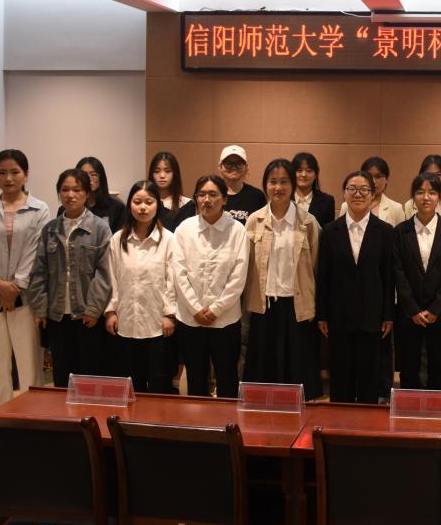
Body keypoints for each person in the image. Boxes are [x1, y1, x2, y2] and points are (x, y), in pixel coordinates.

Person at [0, 150, 50, 408]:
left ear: (26, 174)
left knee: (30, 366)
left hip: (25, 298)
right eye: (2, 172)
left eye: (15, 172)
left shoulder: (40, 209)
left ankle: (33, 419)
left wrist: (14, 288)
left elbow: (36, 251)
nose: (8, 178)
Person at [243, 159, 323, 396]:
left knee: (297, 370)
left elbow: (316, 266)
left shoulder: (308, 222)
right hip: (264, 306)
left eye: (284, 182)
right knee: (263, 374)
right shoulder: (254, 220)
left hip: (297, 306)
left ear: (293, 185)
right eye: (272, 182)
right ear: (265, 185)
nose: (278, 187)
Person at [28, 169, 112, 387]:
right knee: (62, 375)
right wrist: (39, 308)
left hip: (87, 315)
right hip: (57, 314)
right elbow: (39, 271)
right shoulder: (50, 229)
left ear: (87, 193)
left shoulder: (100, 228)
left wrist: (94, 309)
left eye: (77, 189)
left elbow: (105, 273)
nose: (70, 195)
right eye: (65, 190)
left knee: (89, 375)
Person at [317, 171, 395, 403]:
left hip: (372, 317)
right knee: (341, 380)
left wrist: (388, 315)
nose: (358, 194)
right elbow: (324, 276)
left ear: (373, 195)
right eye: (352, 189)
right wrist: (322, 314)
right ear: (344, 193)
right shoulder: (330, 231)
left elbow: (388, 276)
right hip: (338, 317)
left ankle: (366, 423)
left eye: (364, 190)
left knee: (369, 380)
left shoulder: (385, 231)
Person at [172, 175, 249, 398]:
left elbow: (238, 277)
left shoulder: (237, 230)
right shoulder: (184, 229)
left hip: (225, 320)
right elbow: (179, 273)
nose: (207, 200)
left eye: (213, 194)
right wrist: (195, 308)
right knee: (196, 379)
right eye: (202, 195)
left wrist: (216, 309)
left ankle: (228, 419)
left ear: (225, 199)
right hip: (190, 319)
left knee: (227, 378)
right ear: (195, 198)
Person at [104, 181, 177, 394]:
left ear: (157, 205)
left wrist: (169, 315)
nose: (143, 207)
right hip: (125, 322)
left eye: (148, 202)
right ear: (130, 205)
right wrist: (110, 311)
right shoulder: (118, 239)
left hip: (158, 324)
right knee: (129, 385)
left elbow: (172, 280)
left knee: (159, 383)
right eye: (137, 202)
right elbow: (111, 277)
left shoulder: (169, 239)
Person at [393, 173, 441, 390]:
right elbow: (398, 273)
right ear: (413, 197)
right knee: (409, 365)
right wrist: (412, 309)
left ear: (439, 196)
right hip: (408, 312)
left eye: (432, 192)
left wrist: (435, 309)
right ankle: (408, 407)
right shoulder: (400, 231)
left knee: (440, 365)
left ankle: (438, 407)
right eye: (420, 192)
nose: (426, 197)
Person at [171, 145, 267, 227]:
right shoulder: (209, 194)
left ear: (246, 167)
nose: (234, 167)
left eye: (239, 163)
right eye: (228, 163)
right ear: (220, 167)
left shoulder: (257, 196)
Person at [338, 156, 405, 227]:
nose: (373, 181)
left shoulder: (396, 208)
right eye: (369, 176)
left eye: (378, 177)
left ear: (386, 180)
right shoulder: (346, 205)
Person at [71, 156, 125, 232]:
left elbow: (119, 237)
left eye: (93, 175)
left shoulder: (117, 207)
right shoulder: (68, 207)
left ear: (101, 178)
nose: (88, 179)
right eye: (84, 175)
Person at [292, 151, 336, 227]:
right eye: (299, 170)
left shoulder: (327, 202)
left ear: (316, 174)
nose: (304, 174)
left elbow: (329, 232)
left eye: (309, 171)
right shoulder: (285, 200)